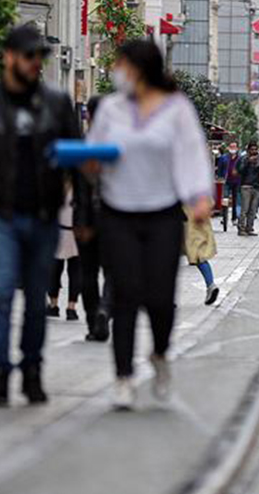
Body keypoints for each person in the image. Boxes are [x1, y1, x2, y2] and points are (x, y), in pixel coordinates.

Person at [0, 23, 82, 407]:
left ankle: (32, 371)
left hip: (43, 217)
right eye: (28, 56)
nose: (35, 64)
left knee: (38, 301)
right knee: (2, 294)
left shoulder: (57, 103)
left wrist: (86, 214)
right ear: (9, 57)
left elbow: (76, 158)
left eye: (39, 57)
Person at [85, 38, 214, 411]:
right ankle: (123, 376)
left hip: (162, 213)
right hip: (117, 212)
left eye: (121, 65)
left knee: (159, 297)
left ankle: (160, 353)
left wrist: (199, 197)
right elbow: (93, 154)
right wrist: (89, 166)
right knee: (124, 295)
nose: (117, 72)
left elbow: (191, 155)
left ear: (139, 68)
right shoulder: (110, 109)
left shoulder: (176, 109)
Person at [74, 95, 110, 343]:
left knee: (87, 272)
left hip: (85, 219)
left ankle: (91, 322)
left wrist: (81, 220)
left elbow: (78, 187)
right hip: (114, 218)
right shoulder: (118, 145)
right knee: (114, 272)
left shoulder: (82, 145)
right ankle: (105, 310)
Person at [49, 192, 82, 321]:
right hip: (77, 232)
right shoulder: (81, 184)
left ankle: (53, 304)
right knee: (76, 271)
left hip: (59, 231)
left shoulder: (57, 184)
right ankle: (71, 307)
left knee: (54, 270)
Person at [184, 205, 221, 306]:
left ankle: (165, 295)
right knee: (198, 254)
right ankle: (210, 284)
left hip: (176, 215)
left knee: (167, 256)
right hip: (197, 213)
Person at [235, 143, 259, 236]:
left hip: (256, 187)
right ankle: (241, 228)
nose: (254, 151)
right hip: (246, 186)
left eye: (255, 149)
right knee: (245, 209)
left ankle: (249, 228)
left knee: (253, 210)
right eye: (252, 149)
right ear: (248, 150)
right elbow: (240, 170)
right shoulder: (243, 159)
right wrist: (248, 162)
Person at [218, 141, 242, 223]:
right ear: (228, 148)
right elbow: (220, 169)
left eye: (234, 147)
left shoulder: (240, 158)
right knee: (225, 198)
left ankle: (234, 218)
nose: (233, 149)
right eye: (231, 147)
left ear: (237, 148)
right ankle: (223, 216)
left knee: (236, 200)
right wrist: (220, 177)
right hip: (226, 181)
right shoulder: (223, 158)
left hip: (237, 181)